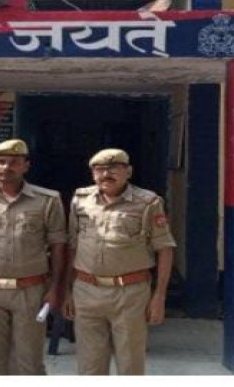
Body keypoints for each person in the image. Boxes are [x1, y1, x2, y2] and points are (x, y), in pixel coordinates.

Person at [62, 148, 176, 375]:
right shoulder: (80, 200)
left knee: (130, 364)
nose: (106, 174)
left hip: (129, 293)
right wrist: (67, 290)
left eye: (114, 168)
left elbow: (164, 249)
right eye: (99, 169)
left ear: (128, 171)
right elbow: (72, 246)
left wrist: (159, 296)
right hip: (86, 290)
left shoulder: (148, 202)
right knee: (89, 365)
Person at [0, 138, 67, 375]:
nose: (6, 167)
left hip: (30, 289)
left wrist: (55, 288)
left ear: (26, 166)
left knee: (29, 361)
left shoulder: (47, 200)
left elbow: (58, 245)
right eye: (1, 161)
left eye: (14, 162)